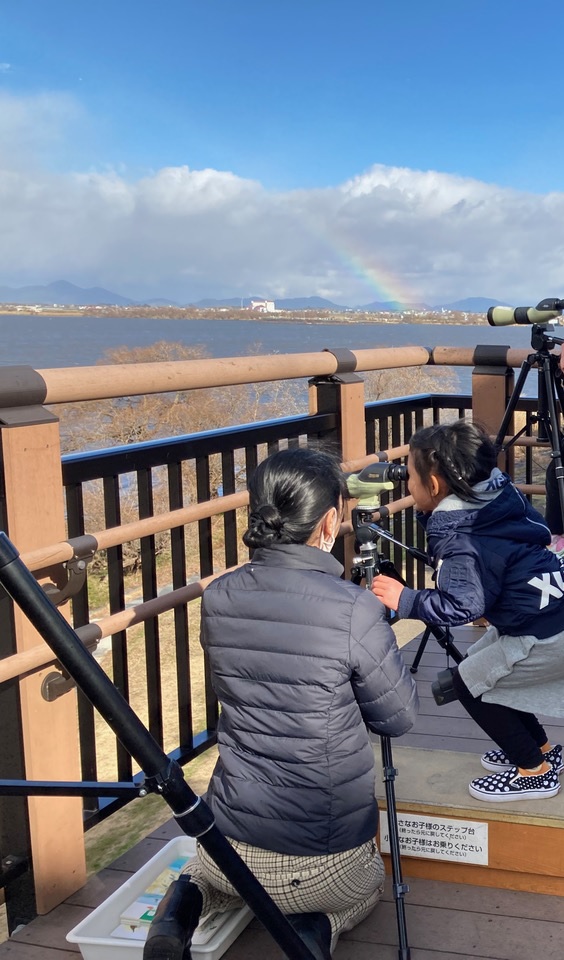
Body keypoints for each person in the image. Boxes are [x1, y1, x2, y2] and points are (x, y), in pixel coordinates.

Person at [145, 447, 418, 960]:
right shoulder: (355, 609)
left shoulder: (220, 596)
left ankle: (176, 915)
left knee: (206, 875)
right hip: (324, 856)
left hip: (229, 841)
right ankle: (316, 932)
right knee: (364, 890)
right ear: (331, 520)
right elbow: (398, 717)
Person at [371, 419, 564, 804]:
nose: (405, 484)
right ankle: (539, 749)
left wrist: (405, 599)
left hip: (542, 636)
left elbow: (464, 605)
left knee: (465, 684)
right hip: (546, 615)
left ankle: (534, 772)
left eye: (410, 477)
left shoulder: (462, 539)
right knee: (478, 665)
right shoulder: (497, 496)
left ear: (436, 486)